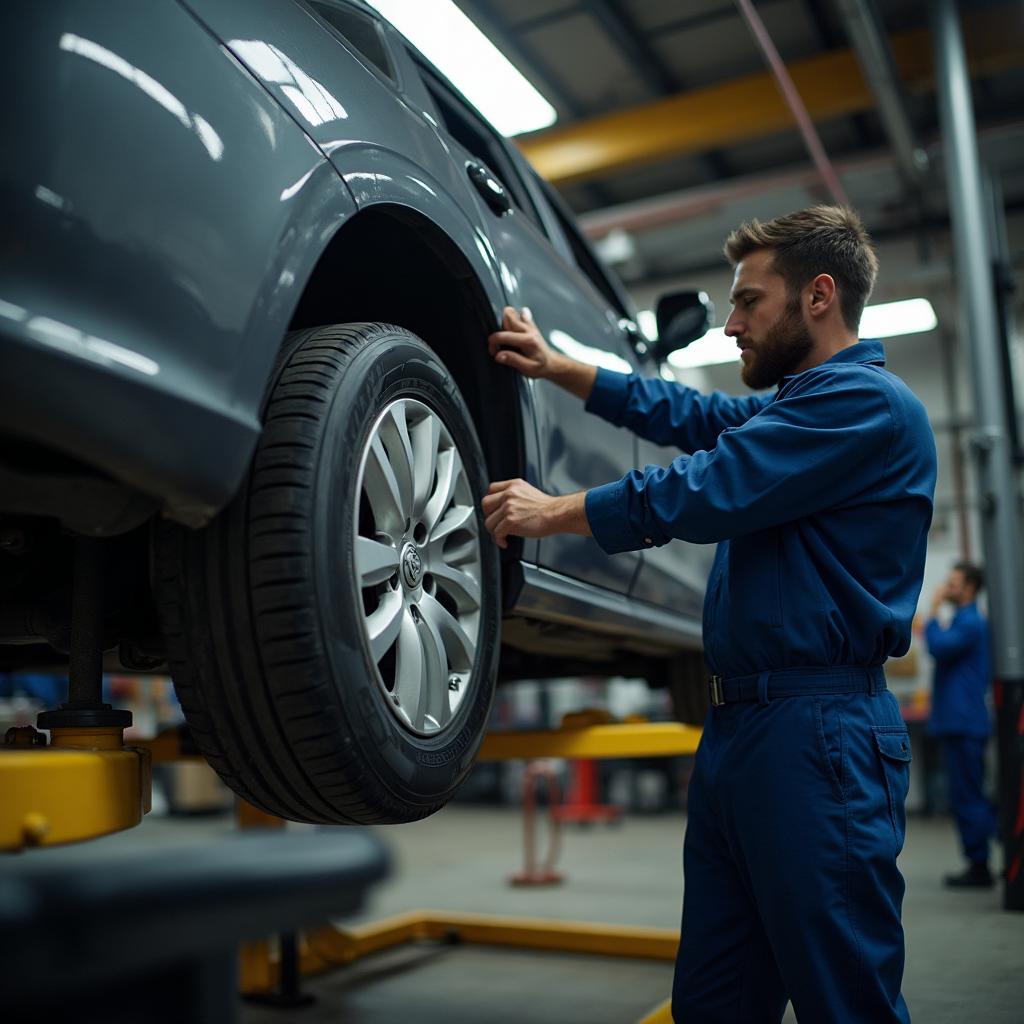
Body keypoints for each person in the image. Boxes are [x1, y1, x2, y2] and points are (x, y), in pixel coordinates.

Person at [482, 205, 936, 1022]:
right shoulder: (799, 408)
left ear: (818, 296)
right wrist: (559, 368)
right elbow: (690, 417)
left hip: (818, 733)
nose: (730, 325)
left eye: (748, 302)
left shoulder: (867, 406)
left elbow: (708, 485)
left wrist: (552, 513)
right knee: (717, 997)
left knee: (845, 996)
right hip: (741, 733)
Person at [923, 562, 996, 888]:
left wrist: (933, 609)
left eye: (953, 583)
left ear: (968, 588)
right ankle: (978, 859)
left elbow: (938, 647)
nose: (946, 587)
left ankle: (979, 865)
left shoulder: (969, 623)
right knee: (966, 794)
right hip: (959, 722)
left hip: (964, 723)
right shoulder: (966, 621)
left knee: (968, 797)